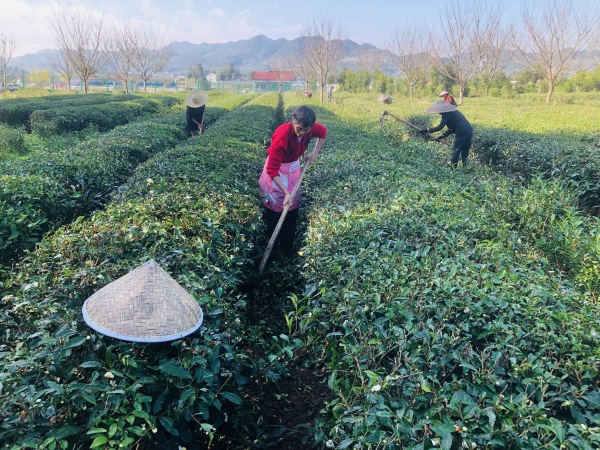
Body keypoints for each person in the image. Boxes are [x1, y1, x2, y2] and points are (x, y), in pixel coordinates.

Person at [258, 105, 327, 255]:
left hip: (293, 169)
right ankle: (273, 249)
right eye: (299, 128)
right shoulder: (282, 135)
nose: (302, 132)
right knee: (275, 211)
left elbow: (323, 133)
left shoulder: (311, 127)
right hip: (276, 174)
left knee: (292, 210)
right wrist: (285, 192)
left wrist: (315, 153)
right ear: (293, 122)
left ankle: (287, 248)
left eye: (306, 130)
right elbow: (272, 170)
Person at [420, 101, 473, 167]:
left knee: (455, 150)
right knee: (465, 151)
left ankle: (453, 169)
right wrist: (442, 136)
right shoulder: (454, 112)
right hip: (469, 130)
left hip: (461, 131)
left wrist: (427, 130)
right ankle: (466, 169)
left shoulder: (446, 114)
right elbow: (452, 129)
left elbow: (440, 127)